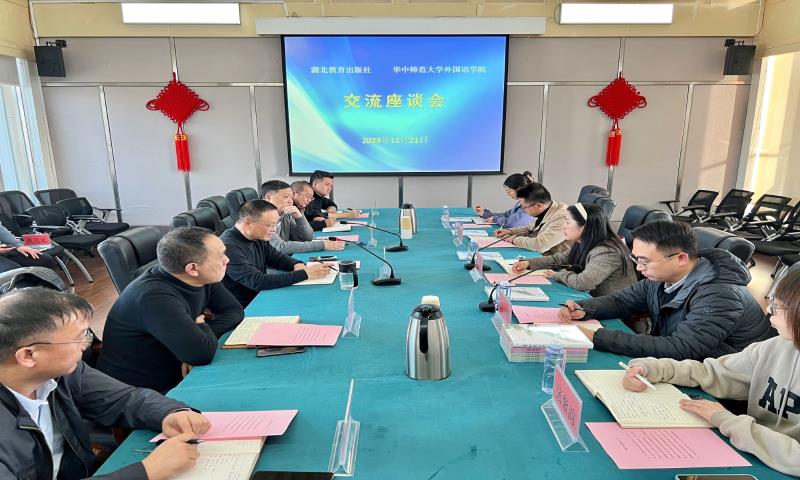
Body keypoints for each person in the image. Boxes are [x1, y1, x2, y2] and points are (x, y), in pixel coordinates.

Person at [0, 287, 212, 480]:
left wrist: (169, 413)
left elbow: (122, 399)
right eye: (79, 337)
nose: (85, 345)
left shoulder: (57, 373)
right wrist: (147, 471)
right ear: (28, 355)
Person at [622, 268, 800, 476]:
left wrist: (726, 420)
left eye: (779, 306)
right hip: (754, 455)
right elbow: (712, 373)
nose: (769, 310)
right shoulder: (775, 346)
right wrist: (652, 368)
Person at [560, 220, 774, 360]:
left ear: (681, 258)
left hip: (726, 382)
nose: (638, 268)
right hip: (684, 366)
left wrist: (596, 336)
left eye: (644, 261)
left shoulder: (720, 295)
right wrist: (583, 308)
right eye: (636, 259)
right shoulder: (661, 276)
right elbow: (622, 301)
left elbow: (681, 348)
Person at [97, 227, 244, 393]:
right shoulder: (154, 297)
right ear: (193, 269)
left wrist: (198, 335)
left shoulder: (202, 278)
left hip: (174, 370)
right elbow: (201, 354)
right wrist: (198, 337)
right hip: (137, 392)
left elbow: (235, 311)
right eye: (220, 256)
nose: (227, 260)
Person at [220, 200, 330, 307]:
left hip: (261, 295)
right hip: (246, 306)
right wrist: (305, 274)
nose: (274, 230)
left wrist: (296, 264)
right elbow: (258, 281)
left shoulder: (256, 235)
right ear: (248, 223)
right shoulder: (228, 247)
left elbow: (276, 258)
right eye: (269, 225)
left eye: (276, 224)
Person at [512, 203, 636, 297]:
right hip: (594, 300)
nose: (564, 227)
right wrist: (528, 263)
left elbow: (582, 283)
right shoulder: (584, 242)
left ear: (585, 226)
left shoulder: (607, 252)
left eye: (567, 222)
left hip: (616, 312)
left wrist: (558, 275)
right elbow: (560, 259)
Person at [260, 180, 345, 254]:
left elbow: (306, 237)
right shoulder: (261, 218)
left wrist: (299, 217)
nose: (290, 201)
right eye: (286, 197)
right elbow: (280, 247)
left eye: (291, 197)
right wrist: (323, 245)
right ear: (268, 197)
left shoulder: (285, 214)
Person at [494, 182, 570, 255]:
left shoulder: (563, 217)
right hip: (541, 254)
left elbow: (540, 245)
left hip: (554, 259)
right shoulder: (543, 209)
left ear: (539, 206)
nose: (523, 210)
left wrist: (513, 240)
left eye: (524, 207)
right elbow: (530, 228)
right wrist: (510, 231)